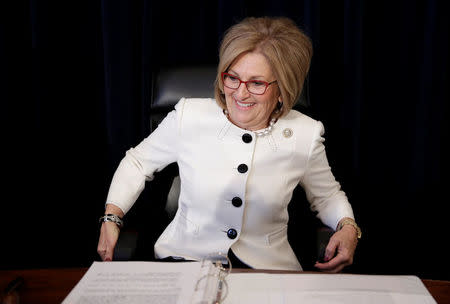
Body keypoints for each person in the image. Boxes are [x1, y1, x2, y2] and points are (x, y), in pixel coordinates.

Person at [97, 16, 361, 272]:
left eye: (257, 83)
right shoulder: (189, 116)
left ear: (282, 90)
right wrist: (112, 217)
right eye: (232, 77)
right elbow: (138, 161)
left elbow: (327, 196)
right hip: (185, 261)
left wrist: (348, 227)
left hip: (267, 270)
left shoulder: (305, 133)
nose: (240, 92)